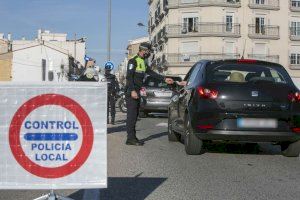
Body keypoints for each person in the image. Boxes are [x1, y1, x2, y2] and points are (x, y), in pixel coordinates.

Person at [125, 42, 174, 146]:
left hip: (138, 92)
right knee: (132, 116)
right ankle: (130, 138)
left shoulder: (143, 62)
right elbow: (129, 77)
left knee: (135, 115)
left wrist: (165, 79)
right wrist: (133, 90)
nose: (149, 53)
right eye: (148, 51)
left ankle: (132, 137)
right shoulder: (133, 61)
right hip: (132, 92)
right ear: (143, 50)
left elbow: (152, 73)